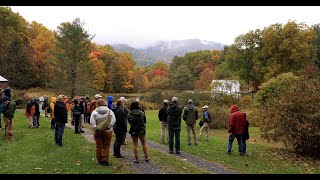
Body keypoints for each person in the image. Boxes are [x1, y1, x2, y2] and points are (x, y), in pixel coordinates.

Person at [90, 99, 116, 166]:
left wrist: (96, 128)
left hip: (98, 131)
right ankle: (105, 160)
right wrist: (109, 127)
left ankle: (99, 160)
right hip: (107, 131)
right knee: (106, 146)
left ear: (97, 104)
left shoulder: (94, 112)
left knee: (98, 146)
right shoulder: (110, 111)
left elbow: (92, 121)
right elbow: (113, 120)